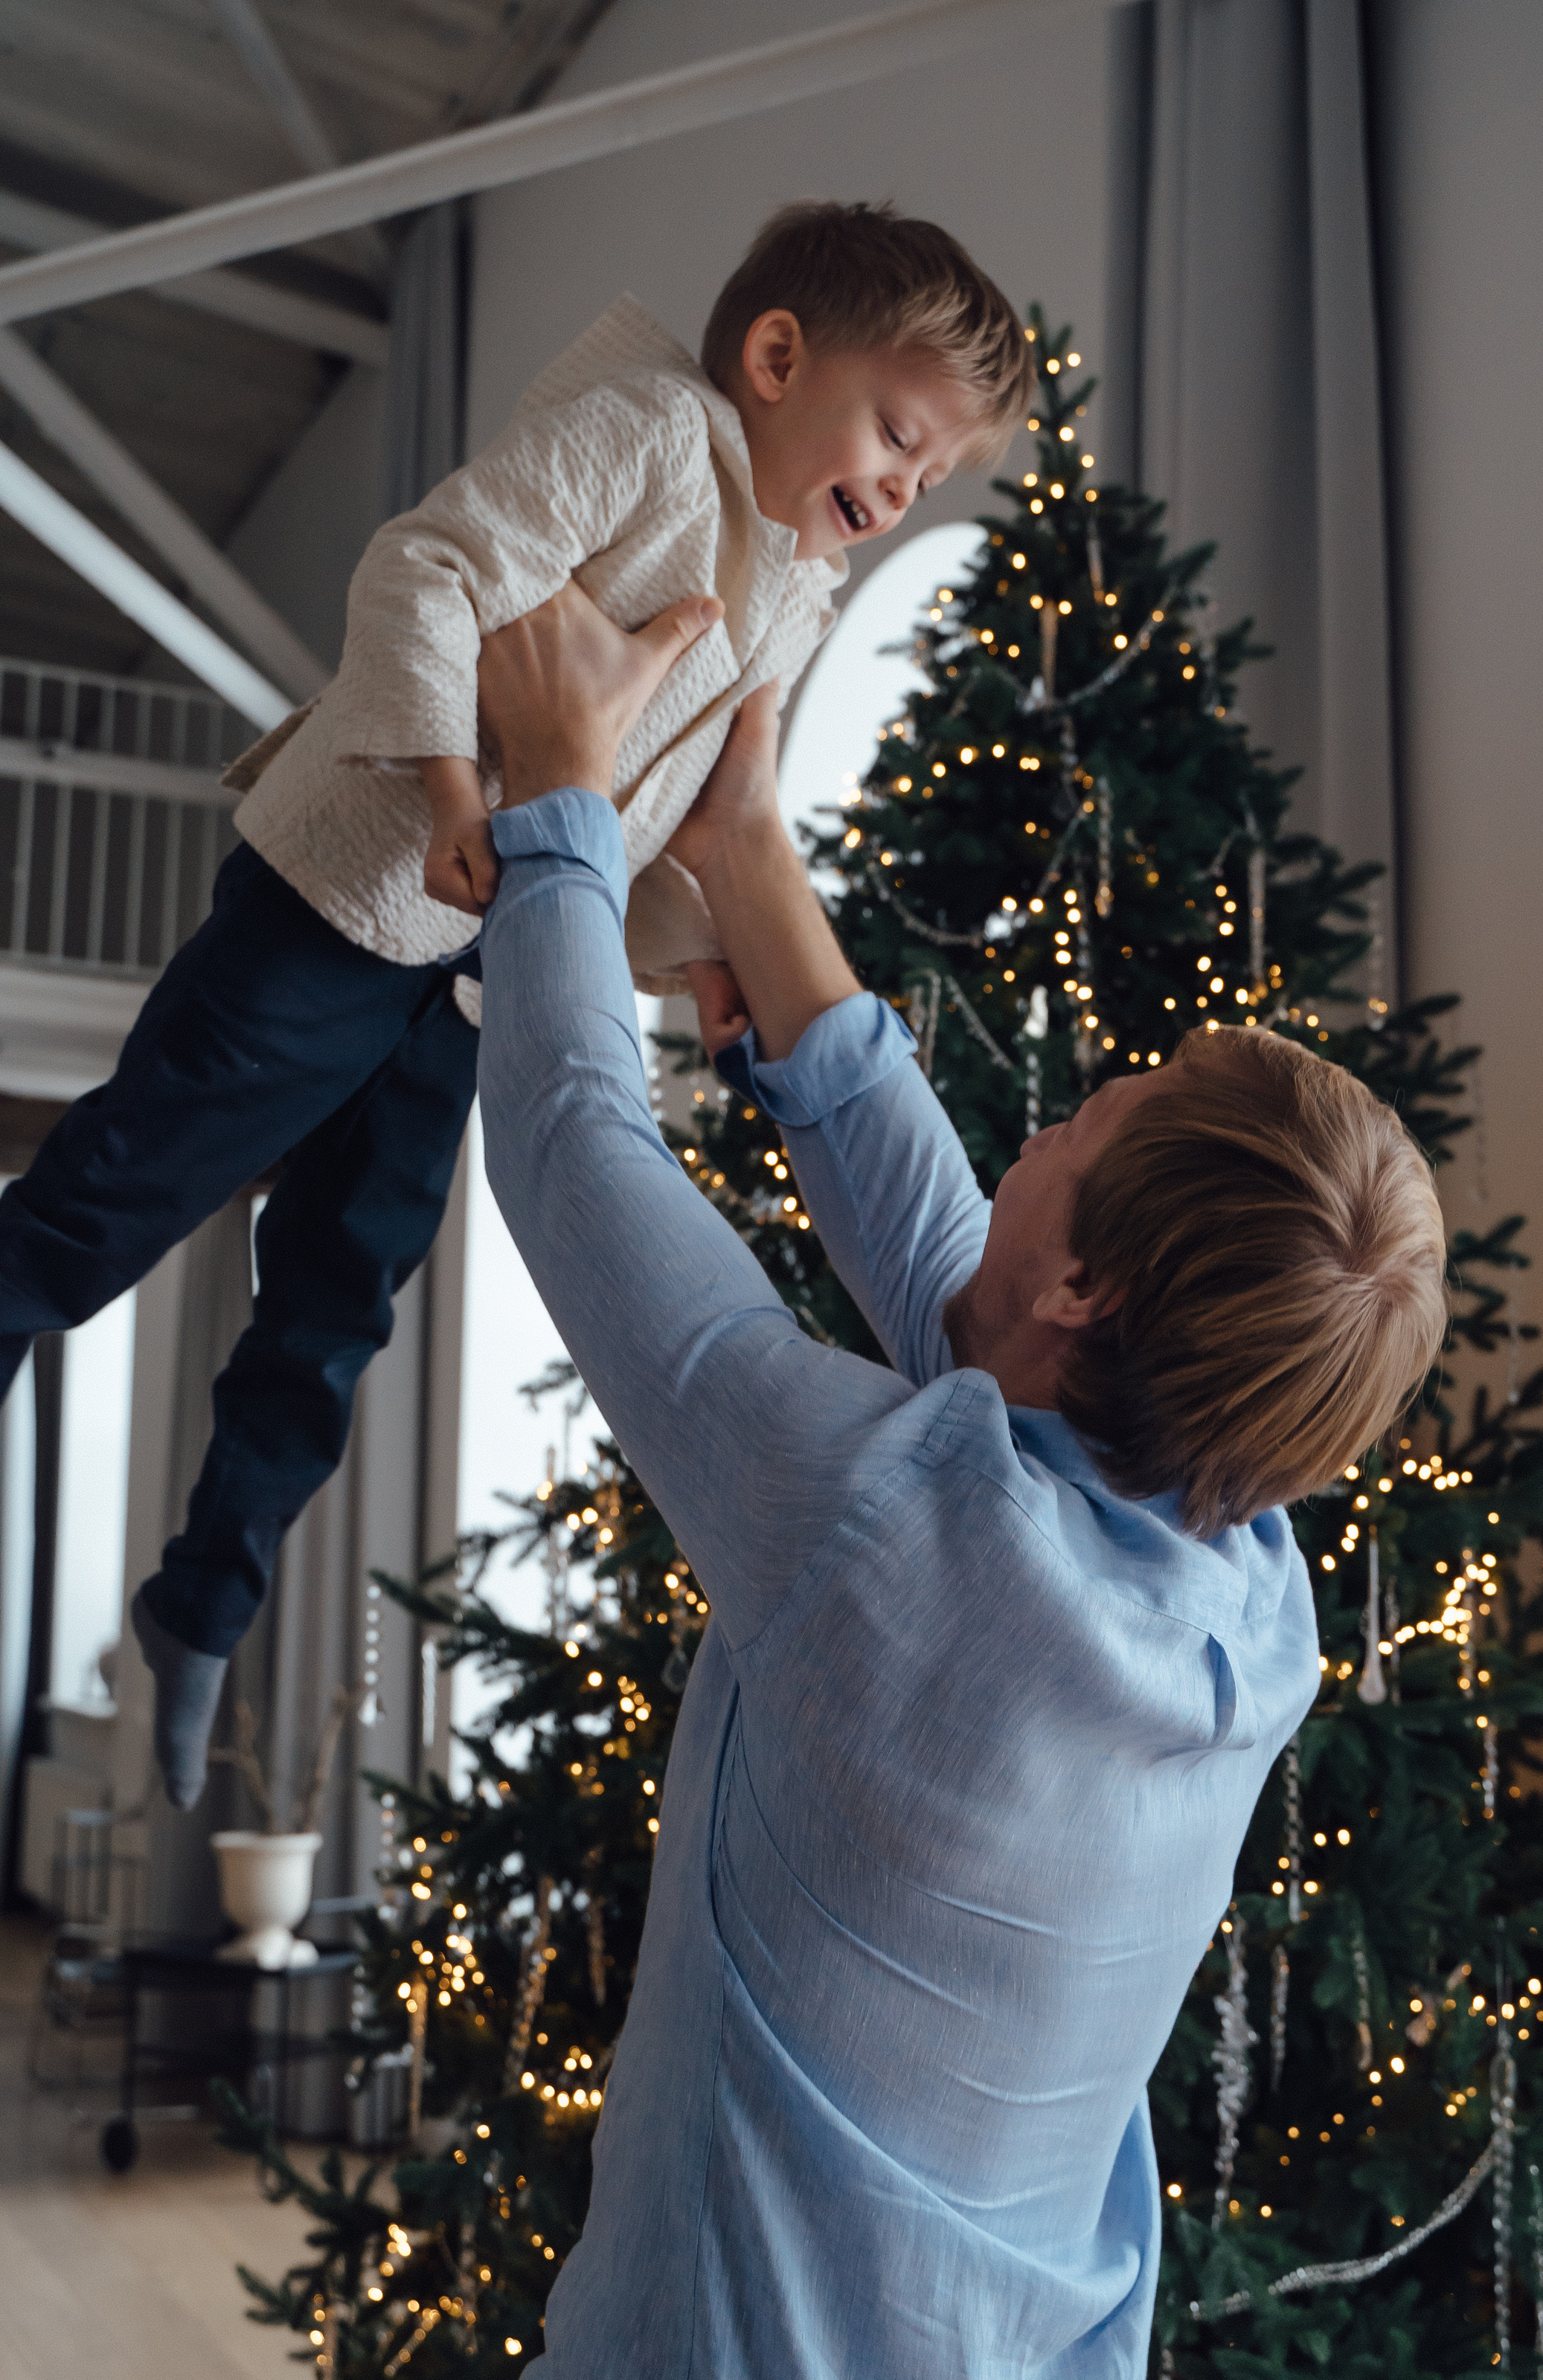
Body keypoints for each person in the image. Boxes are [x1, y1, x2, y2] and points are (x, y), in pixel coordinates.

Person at [470, 582, 1449, 2376]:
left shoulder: (886, 1526)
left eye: (1102, 1109)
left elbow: (566, 1147)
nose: (1069, 1103)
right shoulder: (1246, 1584)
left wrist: (556, 803)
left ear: (1090, 1286)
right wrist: (754, 866)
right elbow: (965, 1297)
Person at [0, 201, 1033, 1810]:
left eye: (928, 482)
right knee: (129, 1182)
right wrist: (440, 792)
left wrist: (702, 960)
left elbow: (664, 815)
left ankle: (202, 1600)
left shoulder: (794, 601)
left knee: (340, 1297)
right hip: (351, 899)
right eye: (896, 439)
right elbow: (423, 568)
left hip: (471, 973)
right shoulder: (645, 434)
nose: (898, 494)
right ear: (775, 359)